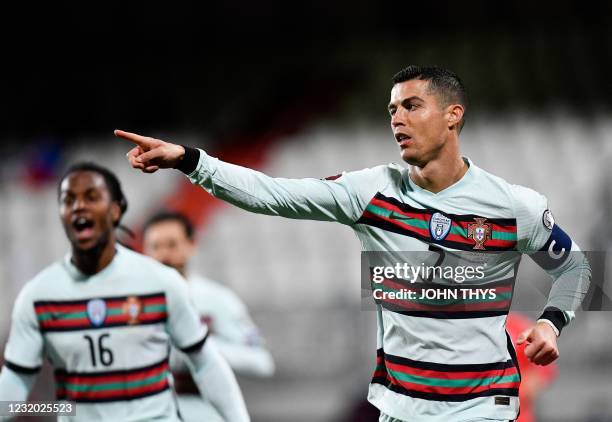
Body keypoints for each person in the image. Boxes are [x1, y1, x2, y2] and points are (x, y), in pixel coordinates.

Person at [115, 65, 591, 422]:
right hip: (401, 410)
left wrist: (552, 322)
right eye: (391, 110)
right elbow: (273, 194)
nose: (397, 119)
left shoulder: (514, 205)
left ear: (453, 116)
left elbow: (576, 269)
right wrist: (191, 161)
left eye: (411, 106)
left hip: (484, 409)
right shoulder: (371, 193)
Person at [0, 163, 250, 422]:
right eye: (68, 200)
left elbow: (205, 363)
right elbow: (17, 379)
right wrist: (62, 409)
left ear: (116, 210)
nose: (79, 206)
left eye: (92, 197)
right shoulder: (39, 296)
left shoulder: (160, 283)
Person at [142, 211, 275, 421]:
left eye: (172, 245)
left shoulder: (217, 299)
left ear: (191, 244)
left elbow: (261, 362)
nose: (163, 255)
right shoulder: (132, 302)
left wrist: (203, 348)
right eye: (155, 247)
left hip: (205, 412)